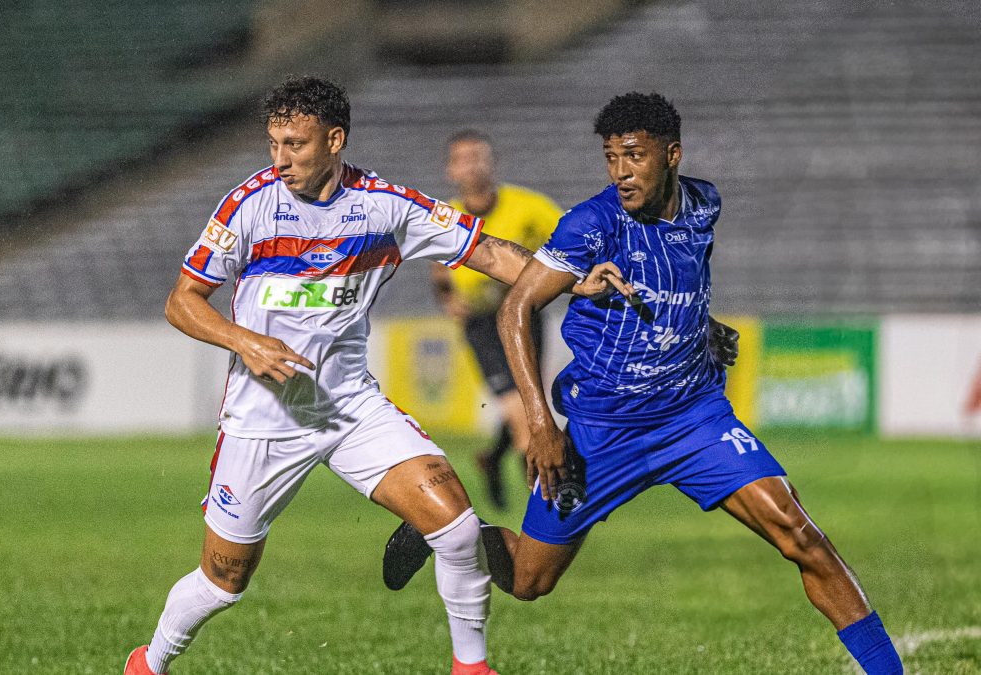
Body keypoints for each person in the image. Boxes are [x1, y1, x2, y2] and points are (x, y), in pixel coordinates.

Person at [383, 92, 903, 674]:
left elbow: (682, 277)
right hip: (602, 430)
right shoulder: (592, 224)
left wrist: (701, 327)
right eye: (611, 158)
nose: (621, 172)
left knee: (799, 534)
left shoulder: (704, 204)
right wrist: (538, 425)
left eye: (634, 156)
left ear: (672, 154)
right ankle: (451, 536)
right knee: (529, 581)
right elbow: (515, 310)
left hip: (693, 419)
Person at [123, 75, 558, 675]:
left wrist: (572, 279)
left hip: (350, 409)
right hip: (264, 420)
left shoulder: (384, 206)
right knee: (223, 581)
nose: (280, 160)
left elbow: (490, 254)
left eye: (295, 145)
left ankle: (472, 667)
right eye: (274, 144)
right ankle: (148, 664)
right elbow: (183, 301)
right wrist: (243, 339)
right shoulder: (249, 204)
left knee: (457, 529)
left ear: (335, 140)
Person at [432, 129, 563, 509]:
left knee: (528, 399)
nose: (473, 165)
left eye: (479, 156)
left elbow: (566, 243)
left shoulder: (529, 206)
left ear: (492, 162)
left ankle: (491, 459)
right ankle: (549, 510)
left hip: (526, 314)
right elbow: (439, 272)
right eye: (464, 159)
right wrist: (447, 299)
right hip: (482, 324)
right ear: (451, 170)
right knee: (523, 416)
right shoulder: (445, 218)